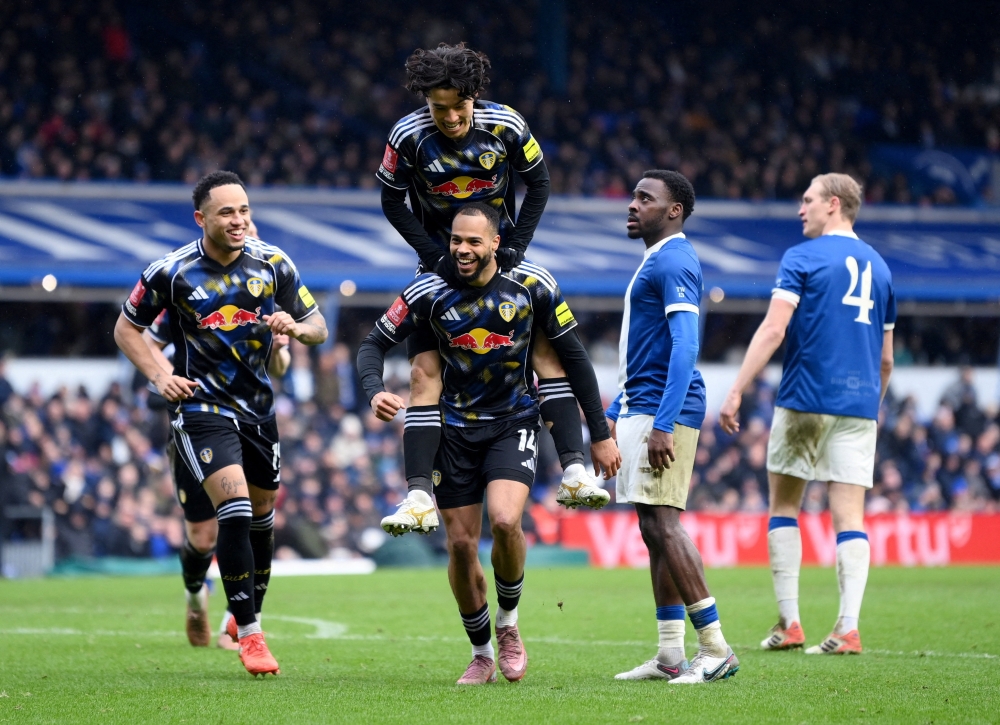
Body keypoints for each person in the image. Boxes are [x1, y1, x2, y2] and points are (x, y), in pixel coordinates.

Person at [357, 203, 616, 685]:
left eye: (474, 241)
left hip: (512, 420)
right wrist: (374, 389)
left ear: (496, 243)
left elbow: (574, 358)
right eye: (457, 240)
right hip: (451, 428)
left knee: (504, 520)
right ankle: (480, 653)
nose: (463, 250)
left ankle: (509, 624)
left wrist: (598, 432)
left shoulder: (533, 285)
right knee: (458, 545)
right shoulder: (426, 291)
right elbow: (372, 343)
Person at [377, 43, 613, 530]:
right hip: (440, 267)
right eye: (437, 108)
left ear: (474, 96)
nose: (448, 118)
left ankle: (572, 469)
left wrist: (516, 249)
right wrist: (433, 256)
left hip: (497, 258)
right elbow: (393, 200)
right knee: (423, 376)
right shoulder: (406, 135)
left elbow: (539, 183)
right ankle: (418, 496)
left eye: (457, 107)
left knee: (548, 354)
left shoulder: (506, 126)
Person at [114, 170, 328, 676]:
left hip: (258, 410)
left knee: (261, 516)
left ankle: (237, 615)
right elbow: (128, 329)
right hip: (201, 410)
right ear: (201, 218)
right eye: (227, 212)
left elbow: (317, 327)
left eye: (244, 210)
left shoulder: (273, 264)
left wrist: (293, 331)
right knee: (219, 519)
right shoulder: (172, 273)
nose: (239, 220)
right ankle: (247, 631)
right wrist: (161, 375)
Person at [719, 173, 895, 655]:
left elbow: (774, 330)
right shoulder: (881, 268)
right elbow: (886, 360)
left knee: (784, 507)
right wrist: (869, 408)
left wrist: (737, 389)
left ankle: (790, 623)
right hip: (860, 405)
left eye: (808, 200)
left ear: (833, 205)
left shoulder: (802, 258)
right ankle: (848, 628)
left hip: (805, 397)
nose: (801, 209)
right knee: (850, 517)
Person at [609, 171, 739, 684]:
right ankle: (669, 655)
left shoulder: (675, 258)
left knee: (665, 524)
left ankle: (716, 647)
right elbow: (648, 347)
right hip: (644, 403)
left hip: (668, 408)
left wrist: (663, 422)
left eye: (647, 198)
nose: (633, 204)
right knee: (652, 530)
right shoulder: (656, 258)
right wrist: (621, 405)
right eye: (634, 196)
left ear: (674, 210)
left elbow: (687, 344)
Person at [142, 249, 291, 650]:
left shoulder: (266, 288)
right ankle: (195, 596)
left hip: (251, 419)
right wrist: (163, 377)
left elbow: (279, 370)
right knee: (203, 536)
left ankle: (239, 621)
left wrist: (277, 349)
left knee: (246, 514)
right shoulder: (185, 283)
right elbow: (145, 338)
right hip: (196, 419)